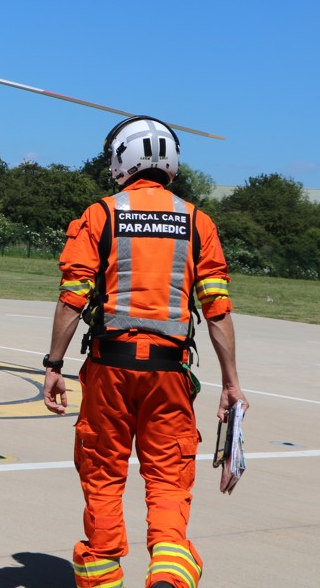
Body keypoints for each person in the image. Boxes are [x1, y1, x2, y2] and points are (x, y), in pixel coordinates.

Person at [41, 116, 248, 588]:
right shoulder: (198, 222)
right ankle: (169, 574)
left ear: (120, 160)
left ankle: (102, 575)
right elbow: (216, 310)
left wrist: (54, 365)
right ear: (170, 161)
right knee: (169, 481)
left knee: (102, 477)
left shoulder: (101, 214)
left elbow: (72, 297)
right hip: (169, 374)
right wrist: (232, 384)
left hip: (108, 370)